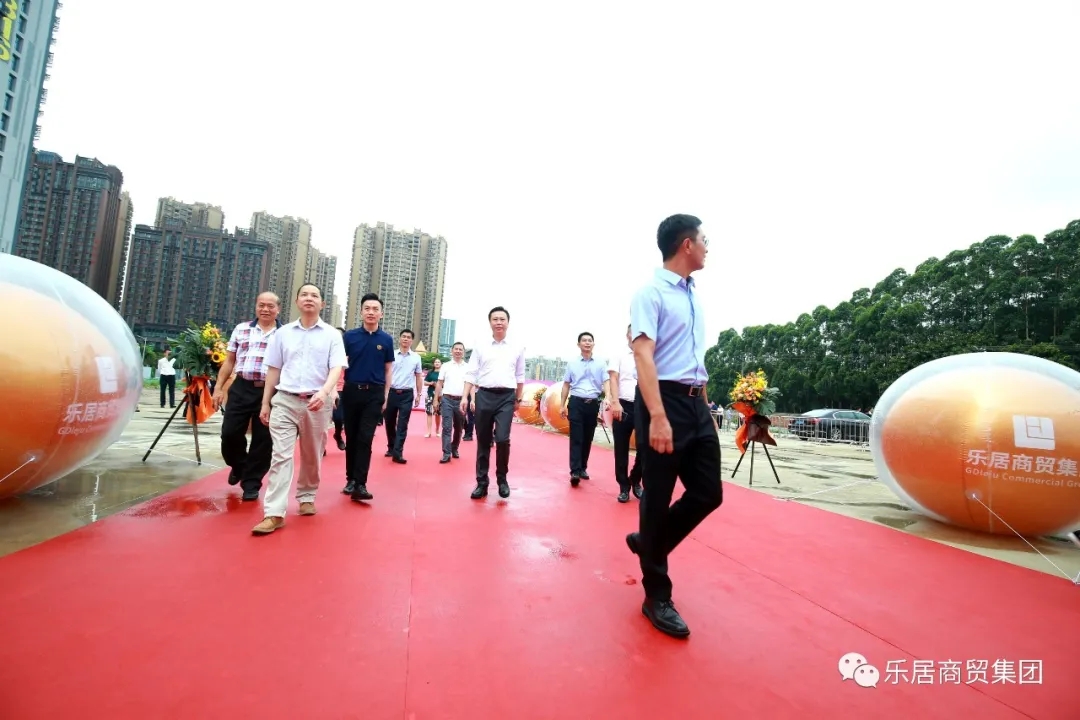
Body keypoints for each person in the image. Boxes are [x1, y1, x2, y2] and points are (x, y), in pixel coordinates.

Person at [625, 214, 722, 638]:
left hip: (696, 403)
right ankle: (656, 596)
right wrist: (659, 416)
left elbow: (693, 358)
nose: (707, 247)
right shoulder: (650, 293)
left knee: (708, 493)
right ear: (686, 244)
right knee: (658, 496)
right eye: (704, 240)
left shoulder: (694, 295)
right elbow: (643, 355)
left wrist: (706, 410)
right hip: (662, 401)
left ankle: (651, 541)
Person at [251, 284, 346, 535]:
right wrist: (266, 402)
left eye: (314, 295)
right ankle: (274, 512)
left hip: (317, 402)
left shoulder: (331, 335)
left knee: (312, 453)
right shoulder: (283, 334)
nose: (309, 298)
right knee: (280, 456)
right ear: (296, 302)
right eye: (304, 294)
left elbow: (336, 368)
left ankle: (306, 496)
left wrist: (324, 392)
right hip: (285, 400)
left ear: (322, 304)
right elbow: (274, 369)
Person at [212, 291, 282, 501]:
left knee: (263, 439)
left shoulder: (285, 334)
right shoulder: (241, 329)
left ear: (278, 309)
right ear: (256, 306)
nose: (265, 309)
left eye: (270, 306)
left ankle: (251, 483)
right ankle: (239, 465)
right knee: (229, 433)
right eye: (262, 305)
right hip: (241, 387)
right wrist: (218, 387)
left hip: (271, 391)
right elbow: (229, 361)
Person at [461, 306, 526, 499]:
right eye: (495, 319)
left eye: (502, 319)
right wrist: (464, 397)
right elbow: (471, 372)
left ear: (508, 322)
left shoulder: (517, 347)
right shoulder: (480, 346)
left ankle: (502, 479)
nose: (499, 322)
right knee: (483, 440)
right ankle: (482, 482)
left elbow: (520, 375)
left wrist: (518, 398)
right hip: (484, 395)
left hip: (506, 397)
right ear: (490, 322)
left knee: (503, 438)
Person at [341, 293, 395, 501]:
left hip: (374, 393)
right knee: (352, 437)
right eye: (367, 308)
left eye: (375, 309)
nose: (371, 312)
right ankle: (350, 479)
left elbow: (388, 369)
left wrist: (386, 395)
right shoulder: (349, 337)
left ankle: (360, 484)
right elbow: (339, 364)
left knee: (365, 438)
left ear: (381, 314)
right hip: (351, 391)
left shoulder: (386, 340)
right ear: (361, 312)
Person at [559, 332, 608, 487]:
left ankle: (582, 468)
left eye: (590, 340)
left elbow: (606, 381)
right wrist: (562, 404)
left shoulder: (601, 363)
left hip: (592, 404)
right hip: (576, 402)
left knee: (588, 437)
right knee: (576, 437)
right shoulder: (572, 363)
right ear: (578, 344)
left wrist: (608, 397)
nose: (587, 343)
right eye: (584, 340)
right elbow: (566, 384)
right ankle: (574, 471)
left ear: (593, 344)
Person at [608, 323, 643, 503]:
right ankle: (623, 486)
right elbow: (613, 378)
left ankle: (636, 479)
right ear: (627, 334)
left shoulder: (650, 354)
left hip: (644, 406)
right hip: (623, 405)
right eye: (633, 331)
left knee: (646, 447)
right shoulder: (619, 355)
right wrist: (615, 402)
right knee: (621, 448)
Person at [383, 329, 423, 463]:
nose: (406, 339)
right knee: (389, 422)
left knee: (402, 424)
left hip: (407, 394)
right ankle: (391, 447)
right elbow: (385, 372)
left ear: (412, 341)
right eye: (404, 336)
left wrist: (419, 394)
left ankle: (398, 452)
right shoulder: (391, 354)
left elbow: (418, 376)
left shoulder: (416, 358)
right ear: (399, 339)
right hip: (391, 392)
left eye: (408, 337)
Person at [435, 342, 468, 463]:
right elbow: (439, 383)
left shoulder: (468, 367)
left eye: (460, 349)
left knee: (459, 428)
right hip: (447, 399)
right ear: (452, 351)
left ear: (463, 352)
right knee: (447, 427)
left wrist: (472, 400)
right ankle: (446, 453)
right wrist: (435, 399)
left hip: (461, 401)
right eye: (456, 349)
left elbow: (471, 385)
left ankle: (455, 448)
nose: (458, 351)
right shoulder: (445, 366)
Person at [330, 326, 347, 451]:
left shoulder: (347, 353)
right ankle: (321, 446)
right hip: (323, 389)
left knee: (338, 417)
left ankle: (337, 435)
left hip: (341, 389)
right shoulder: (325, 350)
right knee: (320, 421)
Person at [424, 359, 442, 438]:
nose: (437, 363)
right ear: (433, 364)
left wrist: (438, 385)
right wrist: (431, 383)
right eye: (435, 362)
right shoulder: (430, 373)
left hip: (440, 396)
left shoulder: (443, 372)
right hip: (430, 394)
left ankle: (437, 430)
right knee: (429, 413)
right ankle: (428, 431)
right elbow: (425, 382)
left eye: (438, 362)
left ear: (441, 364)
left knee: (438, 413)